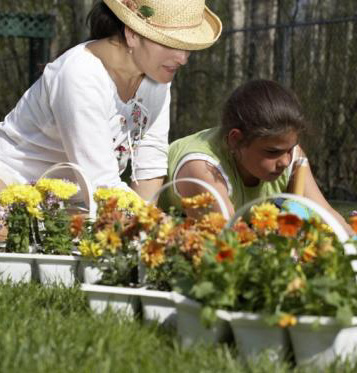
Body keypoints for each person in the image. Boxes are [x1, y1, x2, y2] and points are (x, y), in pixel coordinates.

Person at [0, 0, 222, 203]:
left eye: (187, 48)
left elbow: (150, 163)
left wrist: (145, 233)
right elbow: (102, 182)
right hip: (11, 193)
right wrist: (150, 226)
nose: (182, 58)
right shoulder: (81, 75)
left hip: (71, 208)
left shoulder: (157, 78)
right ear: (133, 34)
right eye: (170, 44)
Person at [162, 79, 354, 234]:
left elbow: (326, 213)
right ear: (235, 140)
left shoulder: (291, 155)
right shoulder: (203, 168)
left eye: (290, 149)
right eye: (272, 152)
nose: (286, 162)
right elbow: (228, 241)